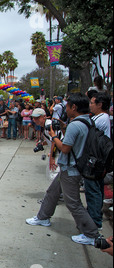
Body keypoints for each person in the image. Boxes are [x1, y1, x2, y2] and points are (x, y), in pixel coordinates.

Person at [26, 93, 101, 245]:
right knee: (52, 192)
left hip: (71, 169)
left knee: (73, 203)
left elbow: (65, 148)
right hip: (73, 167)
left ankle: (92, 234)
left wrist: (54, 136)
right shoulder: (87, 122)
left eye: (67, 106)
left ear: (74, 107)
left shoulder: (76, 124)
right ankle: (43, 217)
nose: (65, 109)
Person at [83, 92, 112, 229]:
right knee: (96, 191)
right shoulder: (100, 117)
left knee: (93, 192)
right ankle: (94, 219)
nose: (90, 105)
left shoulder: (101, 119)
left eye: (92, 103)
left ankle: (93, 224)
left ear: (100, 105)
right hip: (97, 159)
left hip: (96, 160)